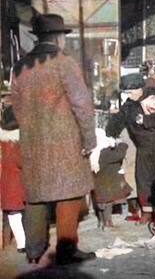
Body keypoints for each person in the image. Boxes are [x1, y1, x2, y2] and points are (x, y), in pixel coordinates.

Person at [11, 14, 97, 265]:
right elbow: (82, 105)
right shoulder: (64, 62)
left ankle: (34, 250)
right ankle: (66, 249)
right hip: (65, 140)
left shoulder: (20, 66)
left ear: (38, 37)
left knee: (36, 194)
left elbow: (15, 106)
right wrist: (89, 139)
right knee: (68, 195)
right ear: (59, 37)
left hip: (32, 140)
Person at [106, 75, 155, 224]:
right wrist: (109, 133)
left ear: (140, 88)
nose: (129, 95)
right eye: (126, 92)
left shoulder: (154, 95)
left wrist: (146, 121)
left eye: (131, 91)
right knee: (143, 179)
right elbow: (118, 119)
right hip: (143, 146)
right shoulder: (130, 104)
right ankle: (146, 212)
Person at [0, 91, 26, 253]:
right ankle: (24, 243)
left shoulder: (3, 142)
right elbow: (22, 162)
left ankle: (21, 243)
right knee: (23, 212)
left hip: (6, 182)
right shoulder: (18, 142)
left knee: (13, 213)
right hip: (20, 181)